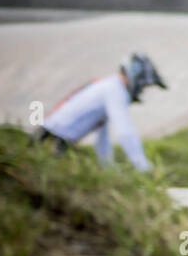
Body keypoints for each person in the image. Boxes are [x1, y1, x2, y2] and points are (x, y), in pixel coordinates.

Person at [35, 52, 167, 172]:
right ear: (136, 76)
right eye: (143, 85)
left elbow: (102, 139)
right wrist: (143, 166)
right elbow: (125, 132)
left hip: (49, 137)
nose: (142, 90)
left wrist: (109, 169)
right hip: (52, 140)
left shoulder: (109, 87)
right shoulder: (115, 91)